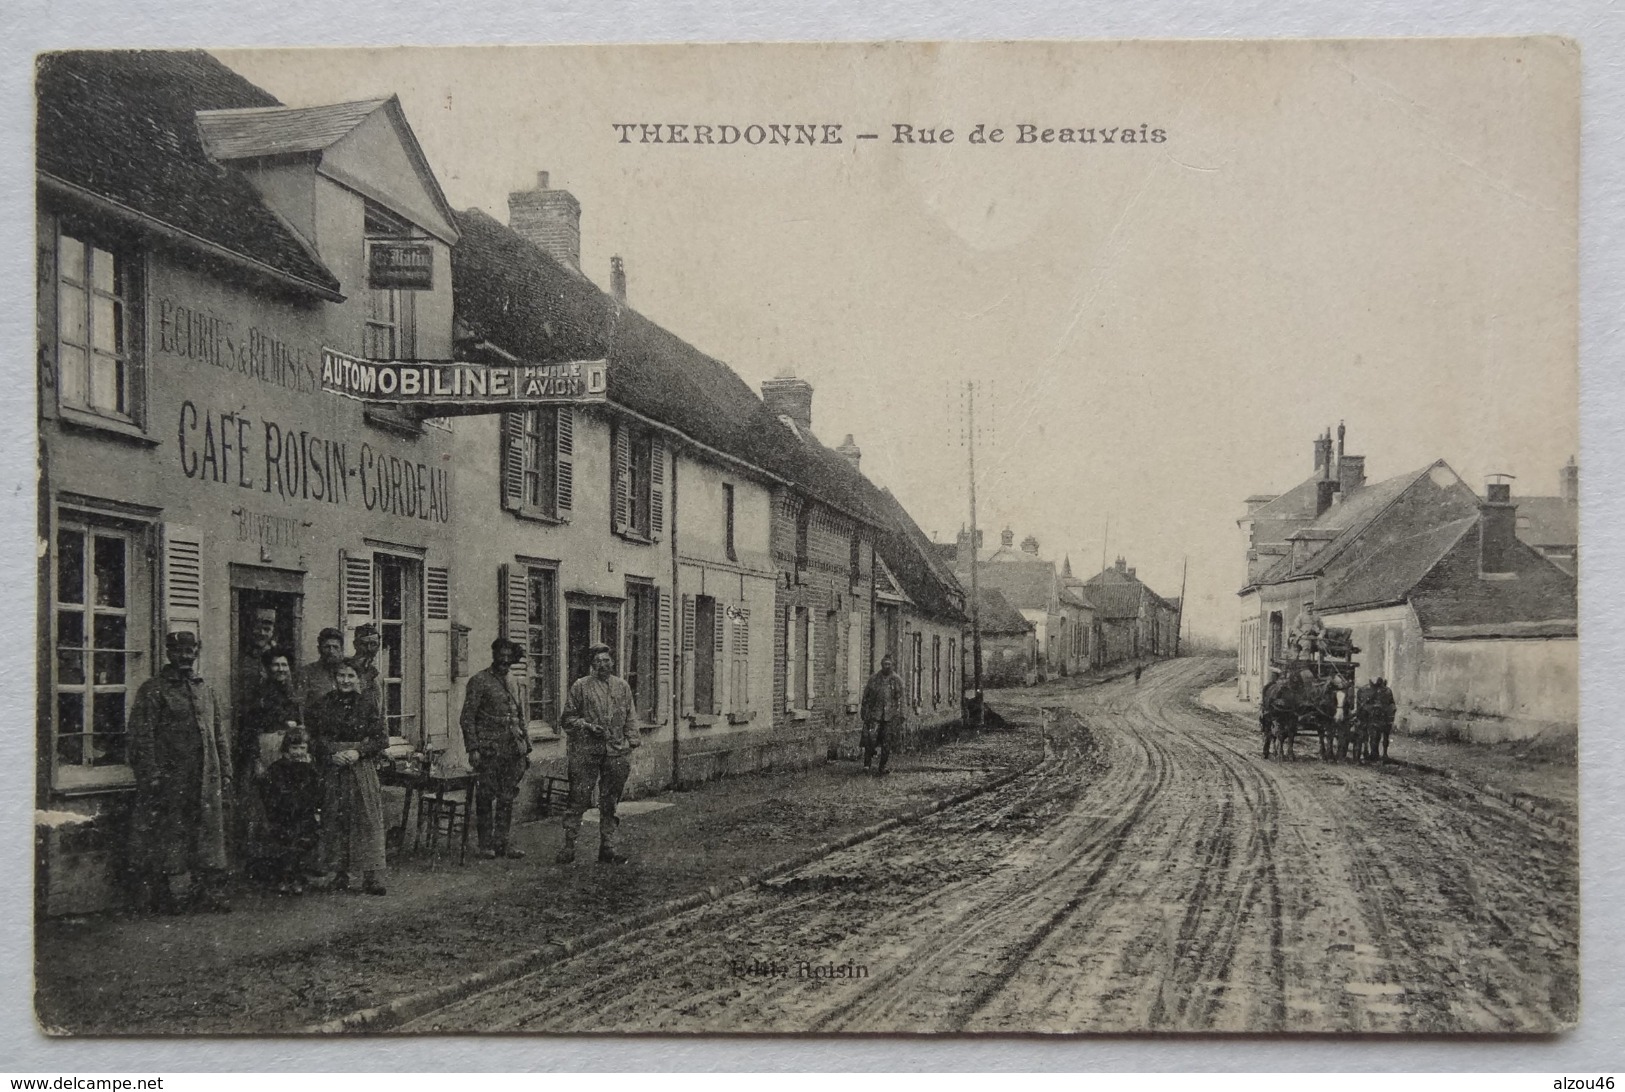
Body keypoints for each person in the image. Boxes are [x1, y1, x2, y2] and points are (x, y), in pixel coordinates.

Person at [127, 630, 234, 914]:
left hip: (205, 779)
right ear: (168, 654)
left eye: (190, 651)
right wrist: (151, 774)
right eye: (178, 652)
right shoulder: (153, 690)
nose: (185, 657)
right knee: (169, 835)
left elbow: (218, 733)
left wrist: (225, 770)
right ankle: (166, 896)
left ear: (197, 652)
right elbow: (141, 737)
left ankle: (208, 894)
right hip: (171, 779)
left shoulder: (205, 689)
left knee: (208, 835)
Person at [306, 661, 389, 895]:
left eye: (350, 675)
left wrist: (358, 752)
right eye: (341, 675)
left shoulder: (367, 704)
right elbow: (312, 738)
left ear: (358, 679)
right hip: (333, 767)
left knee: (367, 819)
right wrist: (330, 754)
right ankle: (339, 874)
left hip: (360, 767)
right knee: (335, 818)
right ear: (334, 678)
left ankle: (371, 877)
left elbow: (382, 739)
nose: (345, 680)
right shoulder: (322, 704)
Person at [558, 643, 639, 865]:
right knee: (578, 798)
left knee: (610, 801)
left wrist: (632, 741)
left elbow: (630, 715)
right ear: (591, 665)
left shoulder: (622, 687)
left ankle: (608, 847)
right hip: (586, 751)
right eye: (598, 662)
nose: (603, 665)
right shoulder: (581, 687)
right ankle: (568, 846)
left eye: (606, 661)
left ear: (612, 662)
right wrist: (586, 725)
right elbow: (567, 719)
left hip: (616, 751)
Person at [459, 638, 532, 860]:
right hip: (489, 750)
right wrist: (473, 748)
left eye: (509, 658)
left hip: (512, 749)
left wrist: (526, 747)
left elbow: (519, 716)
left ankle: (503, 843)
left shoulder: (514, 682)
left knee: (507, 797)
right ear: (494, 655)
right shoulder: (479, 681)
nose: (505, 661)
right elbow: (467, 718)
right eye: (501, 656)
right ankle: (485, 844)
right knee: (485, 796)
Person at [239, 647, 304, 882]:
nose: (281, 669)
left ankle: (288, 866)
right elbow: (248, 731)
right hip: (266, 749)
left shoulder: (292, 693)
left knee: (289, 806)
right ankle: (263, 867)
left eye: (284, 665)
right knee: (263, 809)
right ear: (266, 669)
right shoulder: (258, 695)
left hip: (288, 750)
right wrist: (256, 760)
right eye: (276, 665)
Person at [259, 728, 322, 895]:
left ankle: (296, 878)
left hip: (303, 814)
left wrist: (314, 808)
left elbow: (316, 790)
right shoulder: (277, 768)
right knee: (284, 845)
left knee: (301, 845)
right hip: (284, 814)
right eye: (294, 748)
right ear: (287, 748)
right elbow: (271, 792)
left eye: (302, 748)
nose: (298, 752)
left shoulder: (310, 768)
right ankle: (283, 878)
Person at [859, 655, 906, 776]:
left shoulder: (897, 680)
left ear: (892, 665)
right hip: (875, 715)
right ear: (881, 665)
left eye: (889, 664)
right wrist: (864, 711)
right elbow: (866, 697)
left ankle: (882, 766)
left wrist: (902, 715)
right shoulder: (874, 679)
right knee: (870, 739)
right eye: (885, 664)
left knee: (887, 742)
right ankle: (866, 765)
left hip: (890, 716)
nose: (887, 666)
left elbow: (903, 699)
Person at [299, 627, 349, 711]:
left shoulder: (349, 673)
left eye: (335, 647)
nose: (331, 651)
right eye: (327, 647)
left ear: (341, 650)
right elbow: (300, 705)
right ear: (319, 649)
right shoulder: (307, 672)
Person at [348, 622, 386, 723]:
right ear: (355, 645)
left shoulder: (377, 675)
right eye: (364, 644)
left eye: (373, 644)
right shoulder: (346, 670)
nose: (369, 649)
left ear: (378, 646)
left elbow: (382, 714)